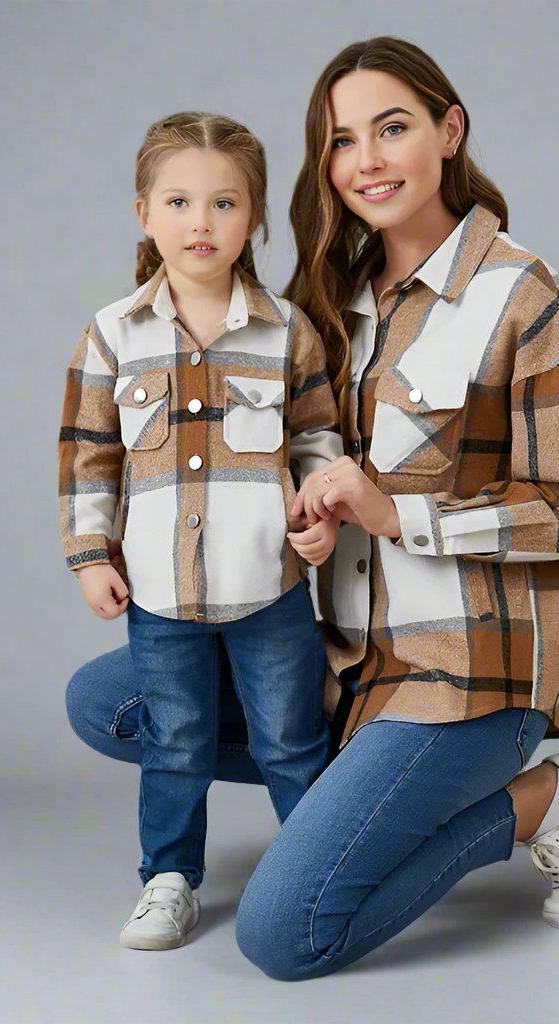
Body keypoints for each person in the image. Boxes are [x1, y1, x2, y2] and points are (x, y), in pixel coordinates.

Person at [66, 37, 559, 978]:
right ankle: (351, 810)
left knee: (286, 934)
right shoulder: (325, 300)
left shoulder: (518, 294)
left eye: (394, 128)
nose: (365, 160)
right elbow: (290, 462)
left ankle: (547, 799)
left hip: (466, 676)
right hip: (350, 665)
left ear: (450, 132)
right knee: (109, 701)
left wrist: (396, 512)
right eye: (340, 140)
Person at [57, 111, 342, 951]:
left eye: (223, 204)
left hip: (270, 590)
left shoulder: (288, 332)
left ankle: (312, 869)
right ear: (144, 213)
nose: (200, 222)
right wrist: (87, 557)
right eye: (179, 201)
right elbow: (88, 456)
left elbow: (319, 440)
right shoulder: (114, 335)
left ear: (252, 218)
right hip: (160, 593)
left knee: (292, 739)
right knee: (175, 741)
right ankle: (170, 877)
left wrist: (315, 517)